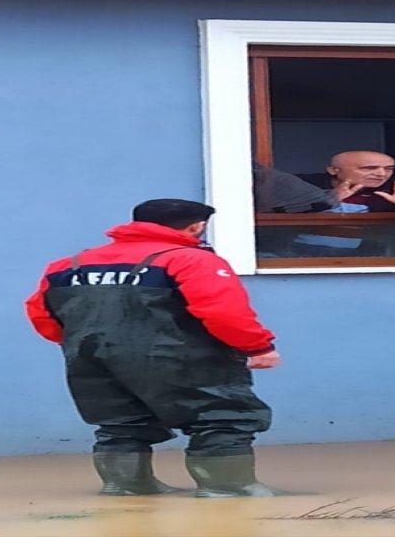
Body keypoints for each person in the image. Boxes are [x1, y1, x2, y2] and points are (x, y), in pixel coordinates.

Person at [24, 199, 281, 497]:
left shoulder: (69, 265)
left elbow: (40, 311)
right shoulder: (191, 259)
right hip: (181, 355)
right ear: (197, 226)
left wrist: (84, 345)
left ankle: (126, 486)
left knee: (120, 422)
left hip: (91, 356)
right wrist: (257, 347)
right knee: (222, 416)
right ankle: (229, 488)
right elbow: (222, 310)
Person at [286, 151, 395, 256]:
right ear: (333, 170)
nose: (381, 174)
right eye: (368, 168)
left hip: (364, 260)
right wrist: (324, 200)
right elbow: (271, 210)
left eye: (389, 168)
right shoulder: (304, 185)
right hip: (289, 257)